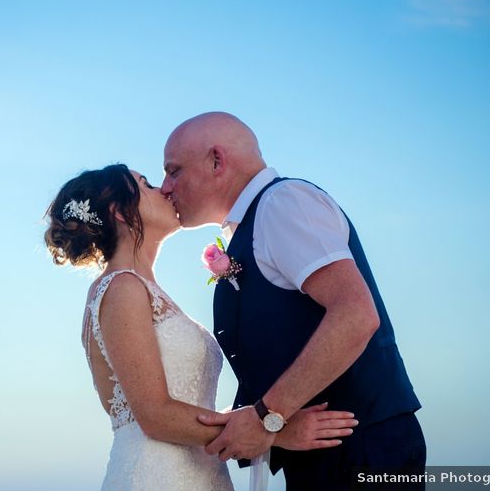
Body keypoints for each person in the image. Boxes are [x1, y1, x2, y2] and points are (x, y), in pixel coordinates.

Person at [44, 163, 358, 490]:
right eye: (147, 185)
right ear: (120, 211)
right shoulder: (121, 288)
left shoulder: (145, 290)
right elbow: (154, 415)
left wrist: (257, 415)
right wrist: (274, 431)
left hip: (200, 473)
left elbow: (188, 407)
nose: (164, 189)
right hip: (155, 476)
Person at [161, 112, 425, 490]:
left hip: (361, 451)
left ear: (217, 161)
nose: (166, 187)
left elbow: (355, 315)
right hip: (325, 458)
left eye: (174, 170)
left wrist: (267, 416)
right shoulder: (254, 222)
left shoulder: (283, 204)